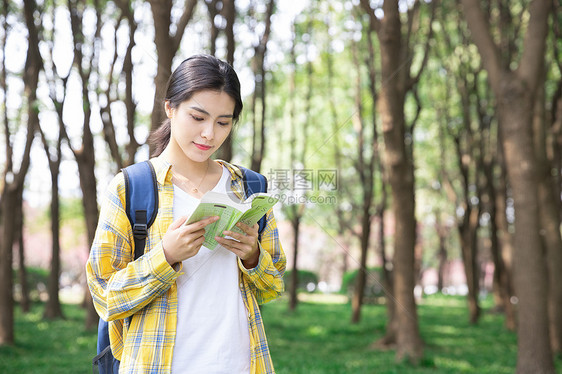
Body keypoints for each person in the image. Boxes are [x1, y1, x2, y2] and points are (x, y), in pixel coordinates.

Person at [86, 54, 286, 374]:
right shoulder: (131, 187)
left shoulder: (248, 187)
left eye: (223, 122)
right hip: (157, 364)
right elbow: (106, 297)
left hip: (239, 363)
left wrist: (252, 256)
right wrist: (165, 256)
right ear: (170, 108)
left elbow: (272, 286)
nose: (209, 133)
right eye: (198, 117)